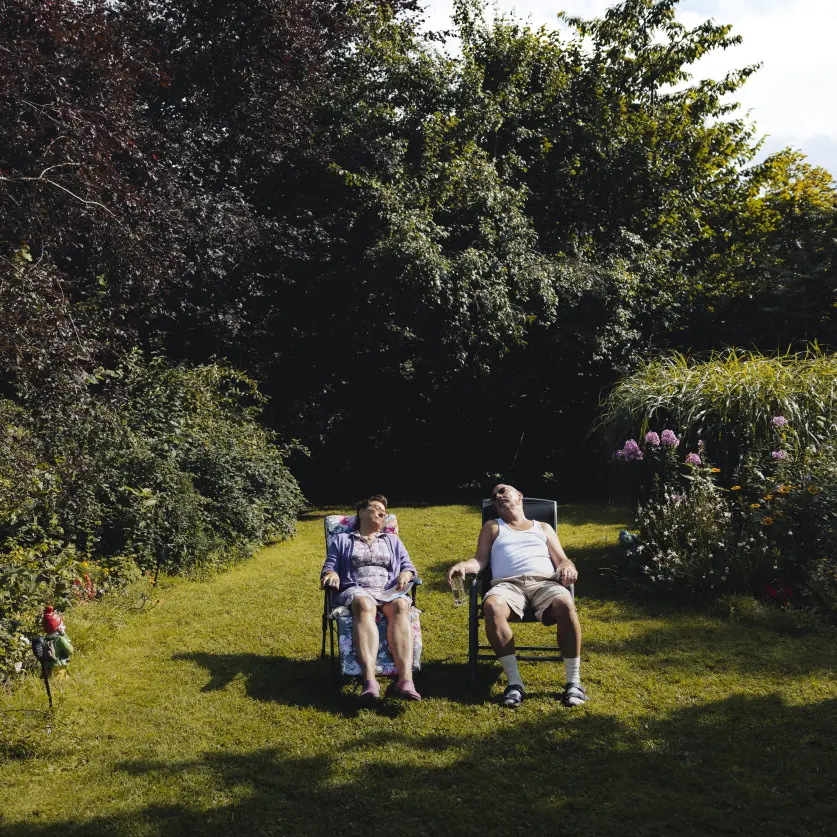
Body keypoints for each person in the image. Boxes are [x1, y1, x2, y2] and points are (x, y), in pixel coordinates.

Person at [447, 484, 587, 708]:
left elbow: (562, 560)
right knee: (491, 606)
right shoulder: (493, 527)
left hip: (544, 582)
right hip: (507, 586)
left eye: (502, 491)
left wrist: (568, 567)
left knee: (565, 603)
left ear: (519, 496)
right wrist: (463, 566)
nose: (498, 496)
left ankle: (573, 682)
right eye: (494, 496)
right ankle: (515, 683)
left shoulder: (543, 527)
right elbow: (480, 561)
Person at [321, 494, 421, 703]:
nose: (381, 512)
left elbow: (408, 566)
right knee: (364, 604)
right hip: (356, 588)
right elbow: (329, 567)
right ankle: (369, 680)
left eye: (383, 511)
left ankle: (405, 680)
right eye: (376, 508)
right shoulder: (342, 540)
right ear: (361, 512)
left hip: (388, 589)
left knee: (401, 606)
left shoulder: (392, 540)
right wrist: (332, 574)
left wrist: (405, 575)